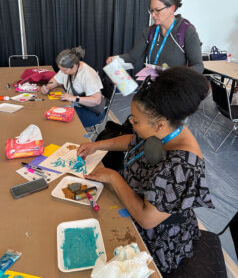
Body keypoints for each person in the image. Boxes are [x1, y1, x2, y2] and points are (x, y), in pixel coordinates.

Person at [77, 66, 214, 274]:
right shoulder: (168, 127)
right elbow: (134, 141)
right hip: (130, 204)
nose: (131, 124)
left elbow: (147, 219)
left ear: (159, 125)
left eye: (136, 121)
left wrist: (114, 177)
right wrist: (97, 146)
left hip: (158, 238)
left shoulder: (181, 165)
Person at [106, 0, 204, 73]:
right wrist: (116, 59)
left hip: (176, 88)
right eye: (151, 10)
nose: (153, 15)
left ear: (172, 9)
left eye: (157, 10)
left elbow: (198, 66)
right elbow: (132, 57)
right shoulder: (149, 32)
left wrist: (177, 76)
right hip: (155, 87)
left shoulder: (186, 31)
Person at [41, 47, 105, 127]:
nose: (62, 72)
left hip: (90, 111)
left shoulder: (87, 74)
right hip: (75, 105)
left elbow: (96, 100)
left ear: (74, 65)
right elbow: (55, 80)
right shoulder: (66, 68)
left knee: (58, 120)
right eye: (60, 69)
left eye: (64, 70)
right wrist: (48, 87)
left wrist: (74, 98)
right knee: (51, 112)